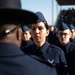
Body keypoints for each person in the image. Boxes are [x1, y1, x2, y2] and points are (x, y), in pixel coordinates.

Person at [0, 0, 60, 75]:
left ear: (47, 32)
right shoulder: (46, 70)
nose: (37, 32)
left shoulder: (57, 53)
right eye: (33, 29)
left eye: (40, 28)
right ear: (19, 34)